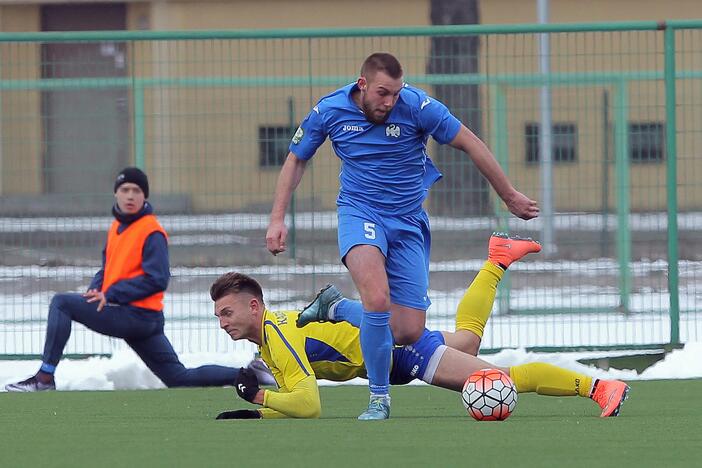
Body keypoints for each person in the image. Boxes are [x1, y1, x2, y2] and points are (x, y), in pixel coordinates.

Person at [266, 52, 539, 419]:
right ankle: (379, 398)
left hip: (408, 221)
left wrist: (509, 195)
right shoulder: (329, 110)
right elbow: (296, 159)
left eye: (396, 93)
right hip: (359, 213)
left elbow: (470, 142)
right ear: (362, 84)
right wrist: (277, 218)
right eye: (382, 93)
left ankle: (335, 307)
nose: (390, 102)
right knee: (377, 300)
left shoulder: (419, 106)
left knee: (407, 330)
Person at [212, 234, 629, 420]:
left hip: (398, 351)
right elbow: (295, 400)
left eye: (227, 312)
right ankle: (498, 259)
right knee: (467, 339)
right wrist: (256, 413)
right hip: (390, 353)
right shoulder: (270, 340)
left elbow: (308, 406)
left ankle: (598, 389)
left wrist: (261, 395)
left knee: (499, 380)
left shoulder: (279, 337)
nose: (222, 322)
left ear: (254, 306)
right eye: (217, 316)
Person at [5, 167, 270, 392]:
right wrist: (95, 289)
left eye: (136, 191)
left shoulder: (151, 231)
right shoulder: (118, 227)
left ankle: (44, 377)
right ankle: (252, 374)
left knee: (61, 303)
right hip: (140, 320)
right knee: (178, 378)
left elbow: (157, 279)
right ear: (116, 194)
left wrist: (111, 294)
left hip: (137, 315)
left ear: (144, 196)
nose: (130, 195)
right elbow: (106, 269)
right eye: (125, 190)